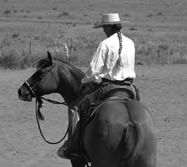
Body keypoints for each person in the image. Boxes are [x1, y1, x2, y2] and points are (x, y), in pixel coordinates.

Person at [57, 13, 137, 159]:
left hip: (108, 87)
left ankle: (74, 145)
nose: (103, 30)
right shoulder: (131, 43)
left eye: (104, 27)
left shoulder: (105, 44)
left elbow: (94, 72)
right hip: (130, 88)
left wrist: (84, 82)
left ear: (108, 27)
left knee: (75, 107)